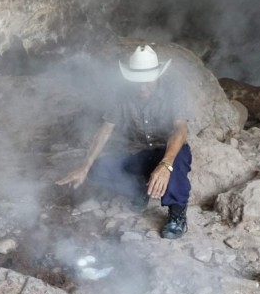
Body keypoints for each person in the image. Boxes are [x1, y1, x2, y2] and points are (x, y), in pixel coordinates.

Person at [56, 45, 192, 239]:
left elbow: (180, 128)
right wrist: (86, 165)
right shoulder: (122, 93)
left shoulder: (173, 89)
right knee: (97, 170)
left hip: (169, 149)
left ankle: (177, 215)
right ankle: (139, 190)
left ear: (157, 77)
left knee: (175, 168)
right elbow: (105, 129)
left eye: (147, 83)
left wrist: (165, 164)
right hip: (140, 150)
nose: (142, 88)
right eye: (137, 82)